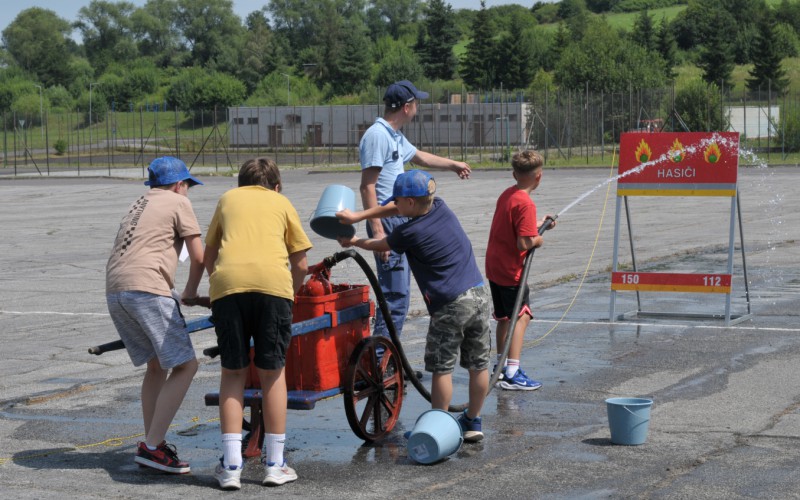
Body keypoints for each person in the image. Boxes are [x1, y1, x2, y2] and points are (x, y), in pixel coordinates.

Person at [337, 170, 489, 443]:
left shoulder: (410, 232)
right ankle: (473, 421)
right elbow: (397, 206)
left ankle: (437, 431)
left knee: (442, 369)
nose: (394, 205)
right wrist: (359, 216)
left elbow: (380, 244)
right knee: (478, 364)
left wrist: (355, 240)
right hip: (479, 294)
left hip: (450, 305)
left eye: (398, 200)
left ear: (408, 202)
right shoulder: (439, 206)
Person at [205, 158, 312, 490]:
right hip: (272, 289)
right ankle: (274, 464)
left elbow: (208, 257)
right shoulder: (281, 202)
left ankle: (232, 466)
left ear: (241, 185)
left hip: (228, 288)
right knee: (272, 374)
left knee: (233, 373)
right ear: (276, 186)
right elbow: (302, 263)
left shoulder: (227, 199)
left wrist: (221, 288)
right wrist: (289, 294)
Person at [105, 156, 205, 474]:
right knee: (187, 365)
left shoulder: (140, 202)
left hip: (116, 291)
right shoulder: (178, 202)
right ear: (179, 185)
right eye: (187, 186)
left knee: (156, 366)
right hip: (147, 290)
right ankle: (151, 446)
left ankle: (153, 443)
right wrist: (193, 293)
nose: (187, 192)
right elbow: (200, 257)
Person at [359, 80, 471, 346]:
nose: (418, 107)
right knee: (394, 297)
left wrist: (453, 164)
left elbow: (419, 157)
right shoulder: (378, 135)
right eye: (416, 103)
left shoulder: (394, 134)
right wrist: (377, 230)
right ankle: (380, 365)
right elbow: (367, 186)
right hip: (386, 219)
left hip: (400, 217)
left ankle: (389, 362)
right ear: (407, 107)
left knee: (401, 297)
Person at [486, 150, 555, 391]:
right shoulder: (526, 203)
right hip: (510, 270)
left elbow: (514, 226)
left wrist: (538, 224)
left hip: (495, 266)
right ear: (539, 177)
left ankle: (501, 367)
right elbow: (524, 243)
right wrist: (538, 239)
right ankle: (513, 372)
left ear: (515, 174)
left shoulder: (509, 194)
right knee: (521, 316)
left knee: (504, 317)